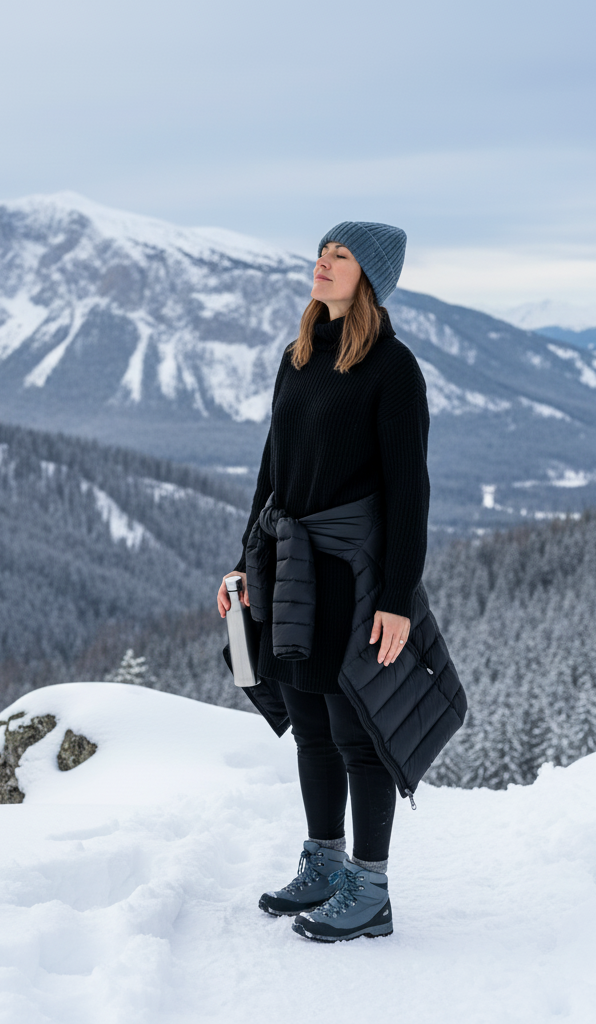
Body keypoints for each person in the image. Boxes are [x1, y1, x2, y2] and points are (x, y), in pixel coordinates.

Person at [217, 221, 462, 943]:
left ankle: (371, 888)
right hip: (292, 569)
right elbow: (272, 470)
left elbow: (409, 493)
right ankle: (323, 865)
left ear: (370, 278)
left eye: (341, 257)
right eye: (321, 254)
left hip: (352, 575)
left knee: (358, 732)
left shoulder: (393, 368)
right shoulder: (296, 358)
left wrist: (395, 600)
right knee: (311, 726)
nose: (322, 266)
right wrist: (245, 560)